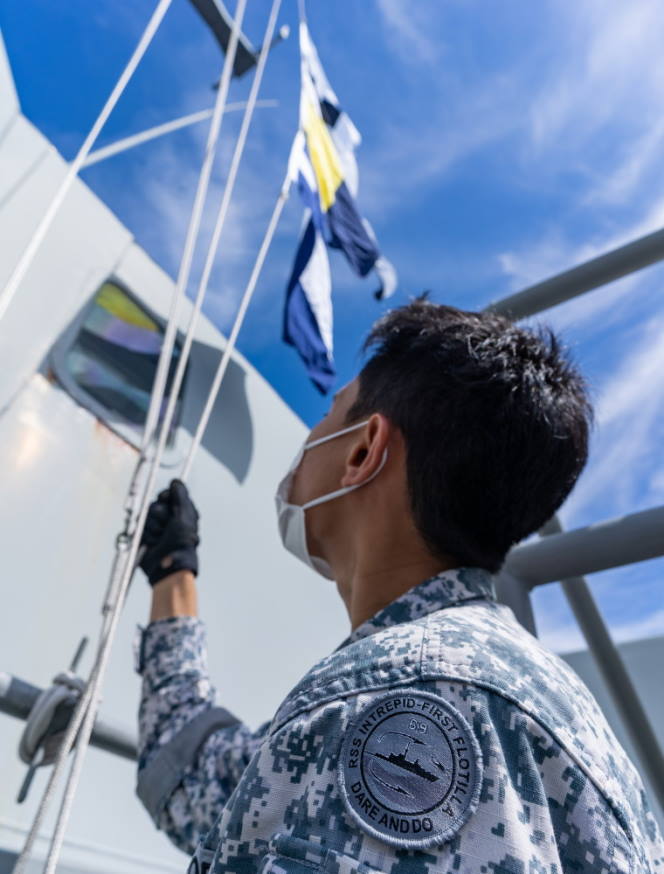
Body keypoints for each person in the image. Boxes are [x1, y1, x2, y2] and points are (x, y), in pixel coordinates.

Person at [135, 300, 664, 873]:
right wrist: (174, 575)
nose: (307, 443)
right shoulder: (481, 691)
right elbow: (196, 781)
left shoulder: (394, 697)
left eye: (329, 416)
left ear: (362, 452)